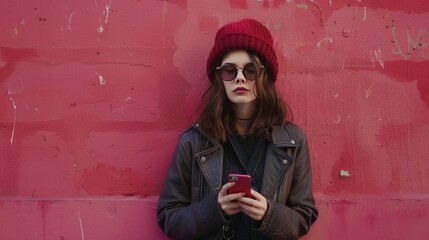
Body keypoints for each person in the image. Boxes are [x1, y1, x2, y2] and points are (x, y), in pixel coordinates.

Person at [157, 18, 318, 240]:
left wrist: (268, 214)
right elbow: (169, 217)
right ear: (219, 77)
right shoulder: (193, 140)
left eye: (250, 70)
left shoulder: (293, 140)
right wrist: (215, 209)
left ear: (264, 76)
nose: (240, 78)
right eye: (229, 70)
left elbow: (304, 216)